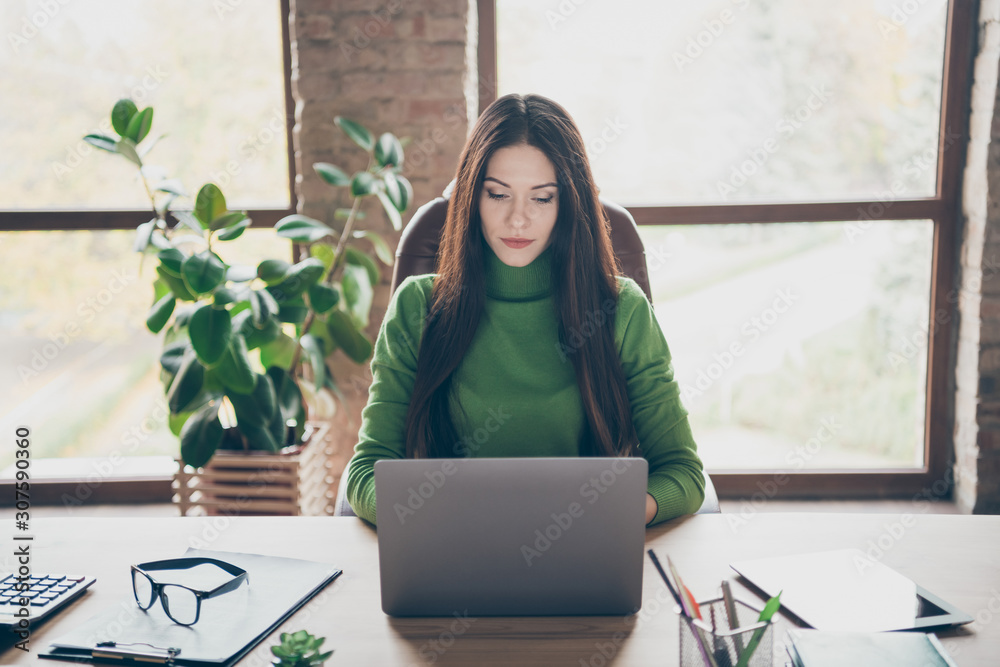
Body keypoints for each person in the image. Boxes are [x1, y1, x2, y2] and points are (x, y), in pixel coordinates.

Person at [345, 93, 705, 526]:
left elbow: (683, 474)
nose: (518, 220)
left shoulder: (622, 309)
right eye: (498, 195)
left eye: (541, 198)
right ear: (472, 200)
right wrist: (440, 519)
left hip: (582, 548)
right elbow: (366, 472)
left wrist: (608, 515)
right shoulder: (418, 306)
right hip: (451, 550)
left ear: (568, 204)